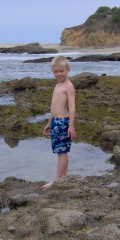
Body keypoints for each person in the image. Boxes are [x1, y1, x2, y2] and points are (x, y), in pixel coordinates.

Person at [42, 55, 76, 189]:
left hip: (63, 122)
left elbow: (72, 106)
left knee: (62, 152)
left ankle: (57, 180)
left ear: (68, 69)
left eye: (61, 71)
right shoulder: (57, 85)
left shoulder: (69, 86)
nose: (58, 74)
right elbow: (54, 107)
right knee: (61, 151)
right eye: (55, 72)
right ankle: (64, 177)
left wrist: (71, 126)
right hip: (56, 122)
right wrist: (50, 122)